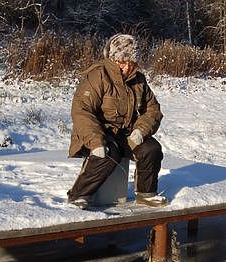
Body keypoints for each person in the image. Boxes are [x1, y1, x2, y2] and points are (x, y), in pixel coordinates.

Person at [67, 34, 168, 210]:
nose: (127, 67)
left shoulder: (139, 80)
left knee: (151, 149)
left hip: (126, 133)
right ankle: (79, 194)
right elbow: (81, 110)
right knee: (107, 153)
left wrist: (140, 131)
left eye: (132, 63)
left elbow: (153, 110)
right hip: (100, 132)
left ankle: (146, 194)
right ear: (113, 59)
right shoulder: (98, 76)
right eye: (123, 62)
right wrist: (96, 141)